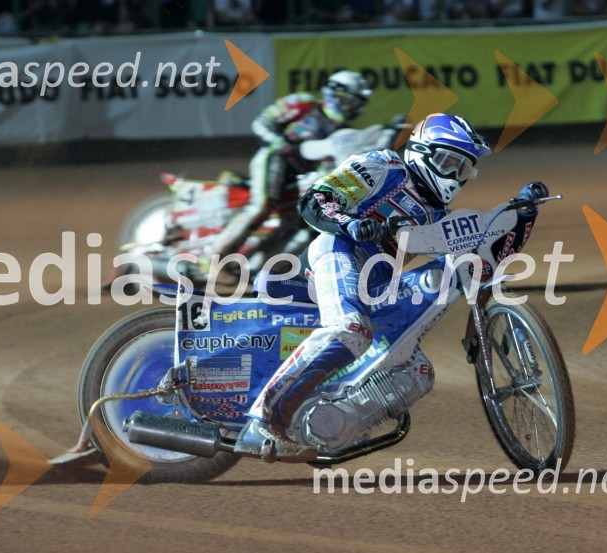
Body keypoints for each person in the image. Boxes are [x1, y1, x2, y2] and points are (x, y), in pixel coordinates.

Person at [234, 113, 549, 460]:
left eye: (463, 169)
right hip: (339, 252)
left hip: (376, 285)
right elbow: (317, 198)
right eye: (447, 162)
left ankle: (327, 429)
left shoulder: (436, 214)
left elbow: (480, 237)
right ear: (421, 152)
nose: (454, 177)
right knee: (349, 329)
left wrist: (519, 211)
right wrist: (351, 224)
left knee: (416, 372)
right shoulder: (383, 167)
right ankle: (261, 421)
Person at [201, 70, 373, 277]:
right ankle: (209, 259)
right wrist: (279, 143)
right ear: (334, 94)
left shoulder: (343, 132)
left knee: (295, 225)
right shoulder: (304, 104)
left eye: (358, 104)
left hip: (301, 178)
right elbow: (262, 122)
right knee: (262, 206)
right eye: (350, 102)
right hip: (275, 159)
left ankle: (258, 270)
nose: (353, 109)